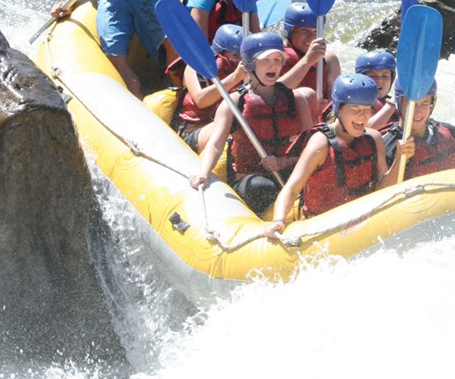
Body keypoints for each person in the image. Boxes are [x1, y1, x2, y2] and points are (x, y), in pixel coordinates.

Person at [263, 74, 414, 237]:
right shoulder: (320, 143)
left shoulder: (374, 138)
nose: (363, 117)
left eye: (367, 110)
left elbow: (383, 189)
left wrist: (400, 158)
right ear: (338, 109)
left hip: (362, 224)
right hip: (321, 228)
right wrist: (278, 220)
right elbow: (292, 189)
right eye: (355, 110)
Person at [189, 31, 316, 215]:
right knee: (260, 187)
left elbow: (311, 148)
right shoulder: (234, 102)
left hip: (290, 171)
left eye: (278, 59)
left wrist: (283, 162)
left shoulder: (296, 99)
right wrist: (203, 172)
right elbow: (216, 144)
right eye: (266, 60)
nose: (273, 65)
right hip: (251, 179)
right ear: (249, 64)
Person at [177, 24, 248, 152]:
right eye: (236, 56)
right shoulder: (194, 67)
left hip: (228, 131)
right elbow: (201, 100)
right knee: (227, 125)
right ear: (219, 52)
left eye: (245, 57)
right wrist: (235, 78)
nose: (240, 62)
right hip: (193, 133)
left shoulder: (249, 74)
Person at [280, 2, 341, 99]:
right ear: (290, 31)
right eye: (304, 31)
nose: (311, 38)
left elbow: (334, 102)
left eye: (316, 31)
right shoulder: (276, 55)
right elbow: (275, 94)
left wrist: (325, 108)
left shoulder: (328, 60)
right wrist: (308, 60)